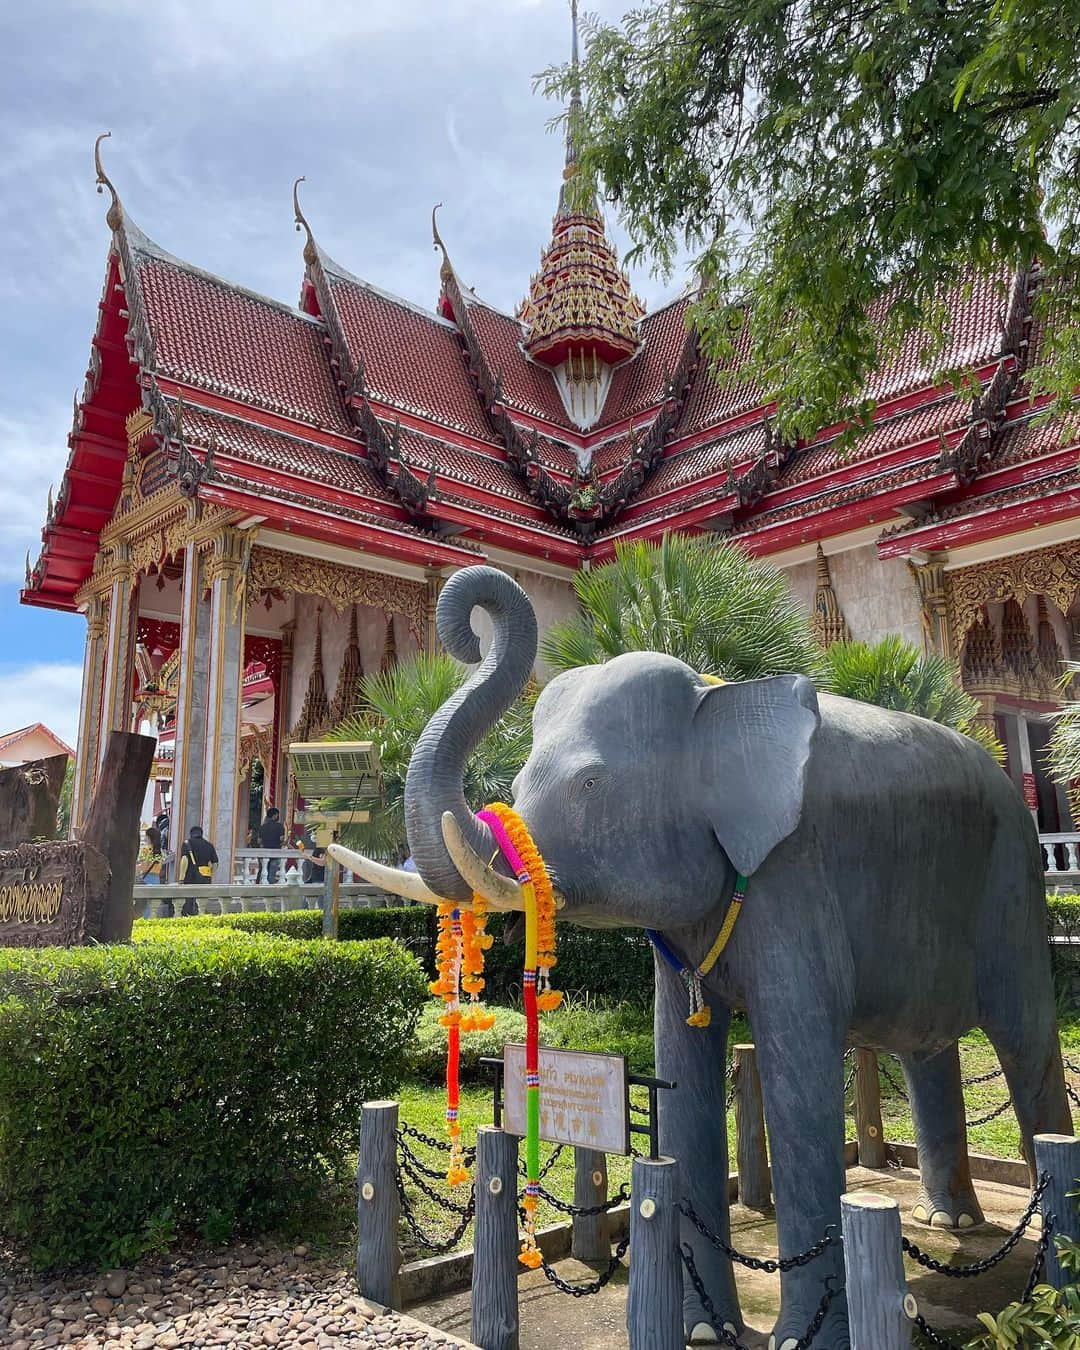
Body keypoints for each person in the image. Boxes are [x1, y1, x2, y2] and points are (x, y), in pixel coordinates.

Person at [178, 825, 218, 917]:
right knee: (201, 901)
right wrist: (210, 874)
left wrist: (181, 878)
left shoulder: (187, 843)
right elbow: (215, 863)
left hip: (190, 877)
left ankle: (188, 916)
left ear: (191, 834)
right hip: (205, 877)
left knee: (188, 900)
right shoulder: (209, 845)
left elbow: (184, 860)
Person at [136, 826, 164, 918]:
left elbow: (143, 866)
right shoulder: (160, 852)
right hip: (156, 879)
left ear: (149, 837)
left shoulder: (145, 850)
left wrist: (135, 869)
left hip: (146, 879)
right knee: (153, 906)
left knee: (144, 906)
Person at [259, 806, 285, 883]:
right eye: (277, 815)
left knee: (263, 873)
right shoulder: (279, 826)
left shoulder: (263, 826)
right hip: (275, 853)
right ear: (275, 815)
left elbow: (259, 841)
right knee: (271, 875)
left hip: (264, 853)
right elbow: (281, 839)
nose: (278, 817)